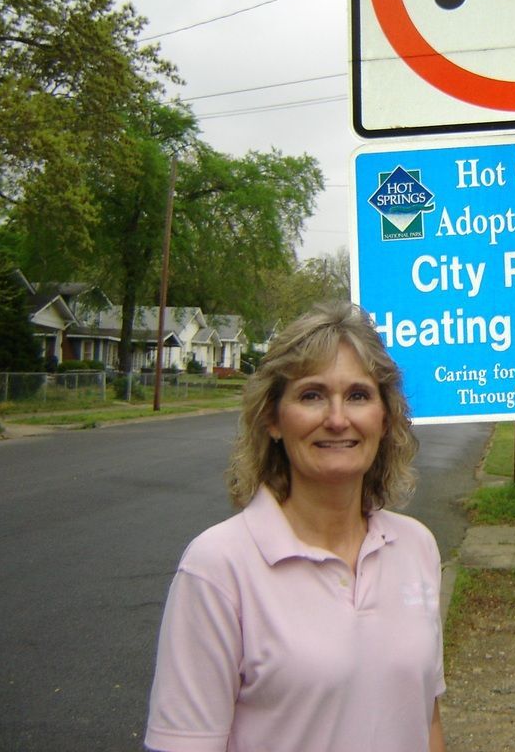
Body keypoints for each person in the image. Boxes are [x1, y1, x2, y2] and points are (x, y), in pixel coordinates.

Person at [145, 302, 446, 752]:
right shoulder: (218, 568)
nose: (338, 418)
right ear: (273, 419)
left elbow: (427, 721)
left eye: (359, 395)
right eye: (311, 395)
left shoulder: (416, 547)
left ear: (384, 418)